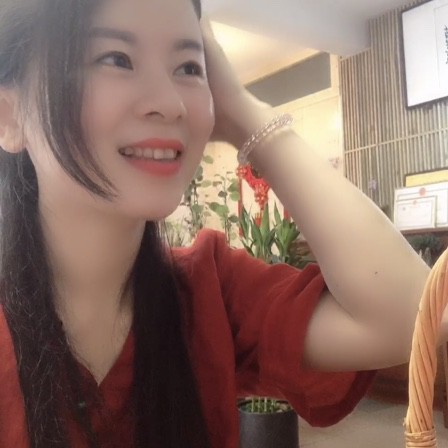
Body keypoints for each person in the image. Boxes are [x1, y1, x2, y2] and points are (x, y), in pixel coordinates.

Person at [0, 0, 441, 447]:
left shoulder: (208, 291)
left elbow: (411, 317)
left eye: (189, 68)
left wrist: (244, 112)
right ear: (10, 115)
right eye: (116, 59)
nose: (170, 104)